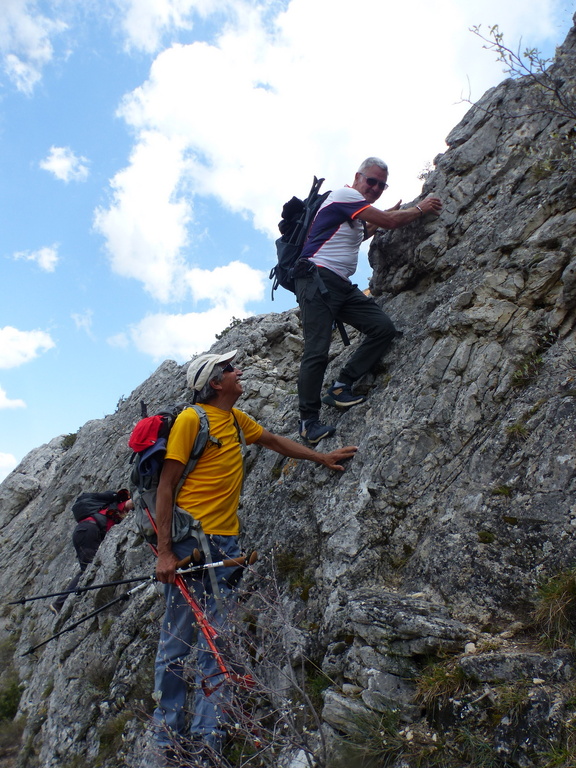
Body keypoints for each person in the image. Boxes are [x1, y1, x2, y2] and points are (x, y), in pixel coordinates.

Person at [153, 350, 356, 768]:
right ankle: (167, 739)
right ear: (214, 383)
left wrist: (321, 456)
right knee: (178, 642)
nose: (238, 371)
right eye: (230, 369)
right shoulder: (193, 420)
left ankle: (206, 742)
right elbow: (166, 486)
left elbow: (274, 442)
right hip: (192, 545)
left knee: (219, 642)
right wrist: (165, 551)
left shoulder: (236, 419)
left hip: (225, 548)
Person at [295, 156, 442, 445]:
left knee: (382, 328)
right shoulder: (346, 194)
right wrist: (419, 209)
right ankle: (307, 422)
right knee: (317, 350)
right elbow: (386, 222)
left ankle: (341, 387)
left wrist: (386, 215)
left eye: (381, 185)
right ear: (358, 177)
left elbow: (366, 229)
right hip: (317, 279)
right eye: (371, 181)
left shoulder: (353, 211)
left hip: (339, 284)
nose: (375, 188)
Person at [50, 490, 134, 614]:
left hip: (82, 532)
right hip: (89, 531)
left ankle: (60, 603)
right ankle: (59, 603)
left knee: (86, 568)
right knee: (87, 568)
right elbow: (132, 503)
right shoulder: (117, 507)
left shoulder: (105, 511)